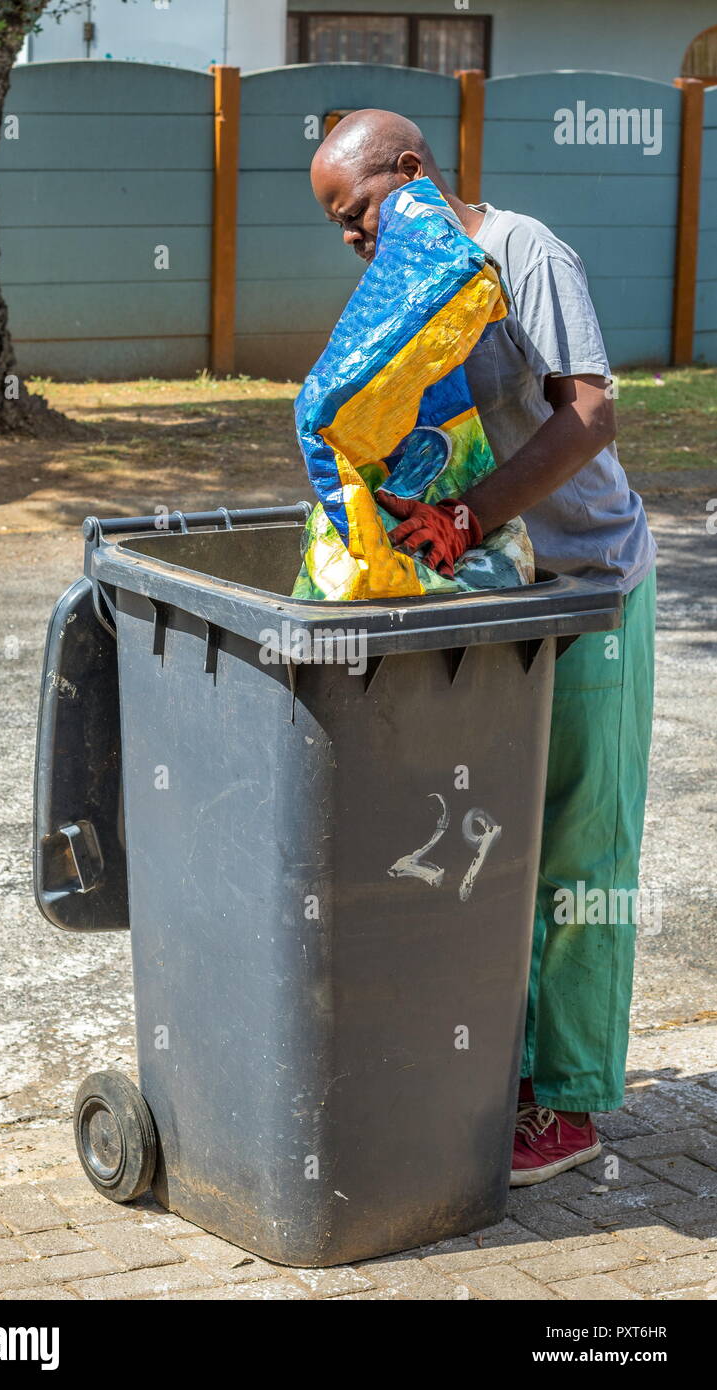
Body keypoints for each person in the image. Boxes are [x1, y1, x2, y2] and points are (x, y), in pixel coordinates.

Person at [310, 109, 657, 1186]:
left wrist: (467, 515)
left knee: (579, 856)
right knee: (494, 849)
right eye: (338, 228)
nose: (355, 240)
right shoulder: (414, 286)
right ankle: (508, 1070)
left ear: (410, 172)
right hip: (497, 606)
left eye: (359, 211)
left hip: (588, 585)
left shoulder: (520, 252)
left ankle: (570, 1105)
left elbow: (589, 414)